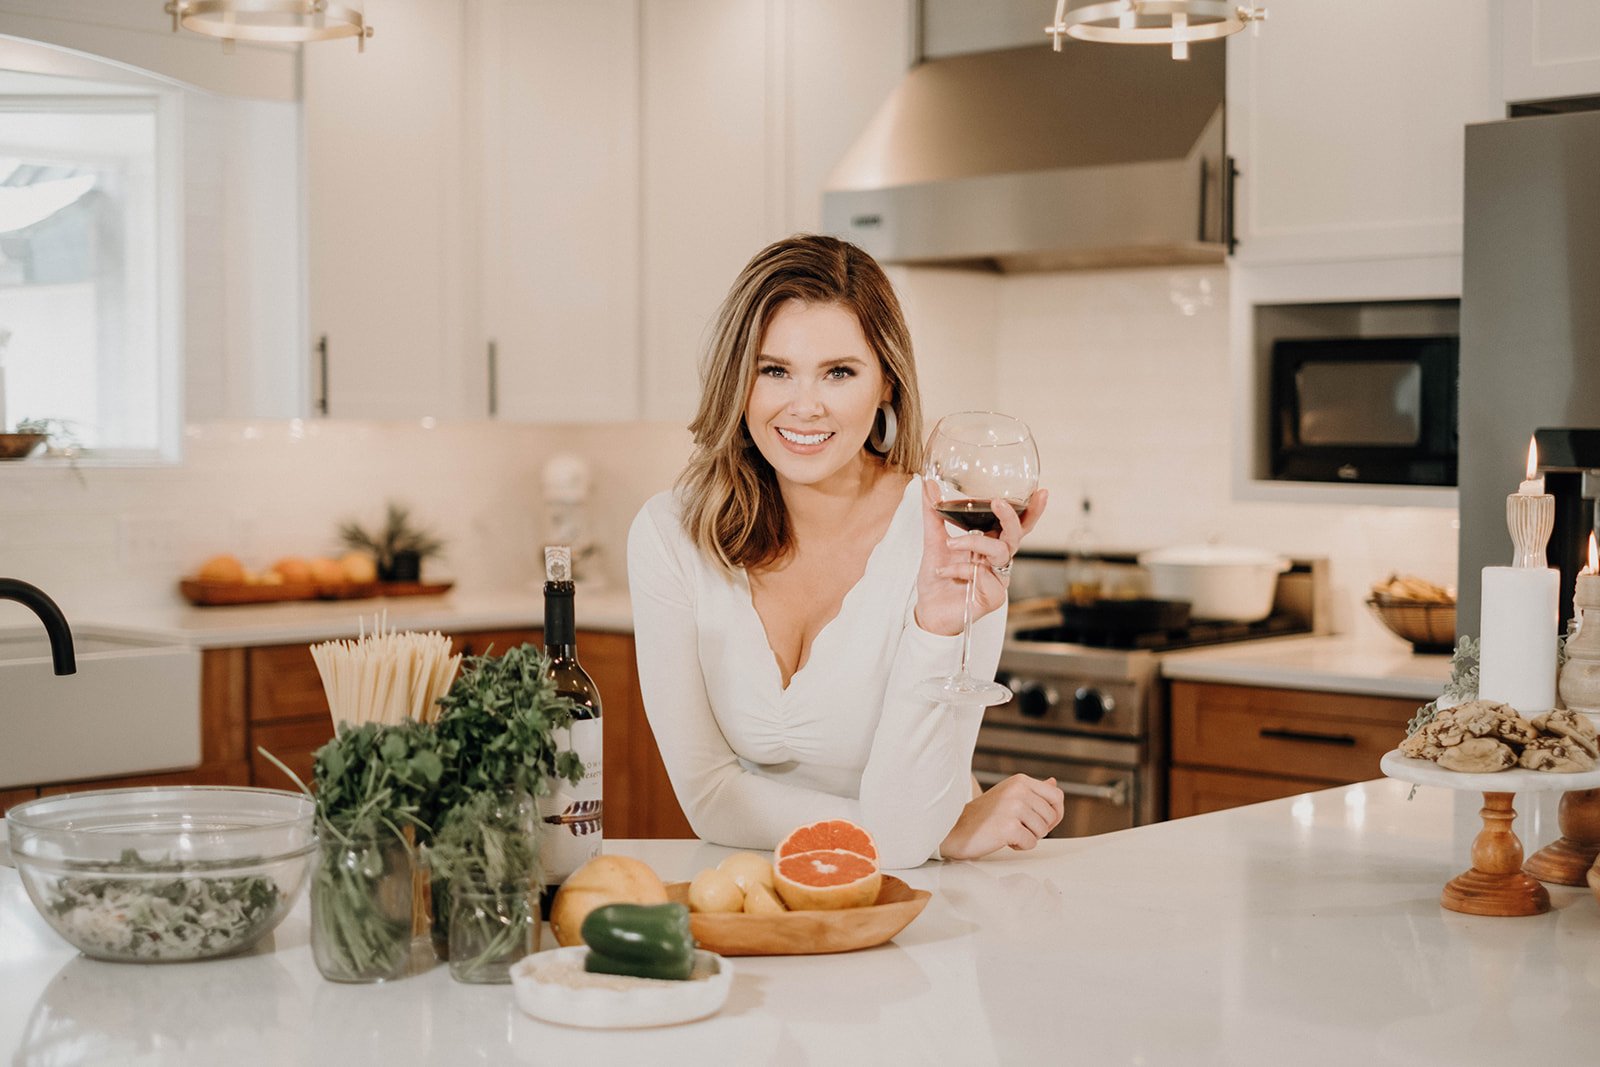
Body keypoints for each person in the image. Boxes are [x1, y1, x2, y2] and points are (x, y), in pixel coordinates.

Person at [627, 235, 1064, 869]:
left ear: (886, 382)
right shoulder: (671, 534)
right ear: (738, 380)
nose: (804, 406)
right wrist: (931, 834)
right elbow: (708, 798)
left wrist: (936, 631)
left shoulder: (950, 543)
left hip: (924, 905)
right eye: (774, 370)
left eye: (839, 371)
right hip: (763, 898)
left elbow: (908, 831)